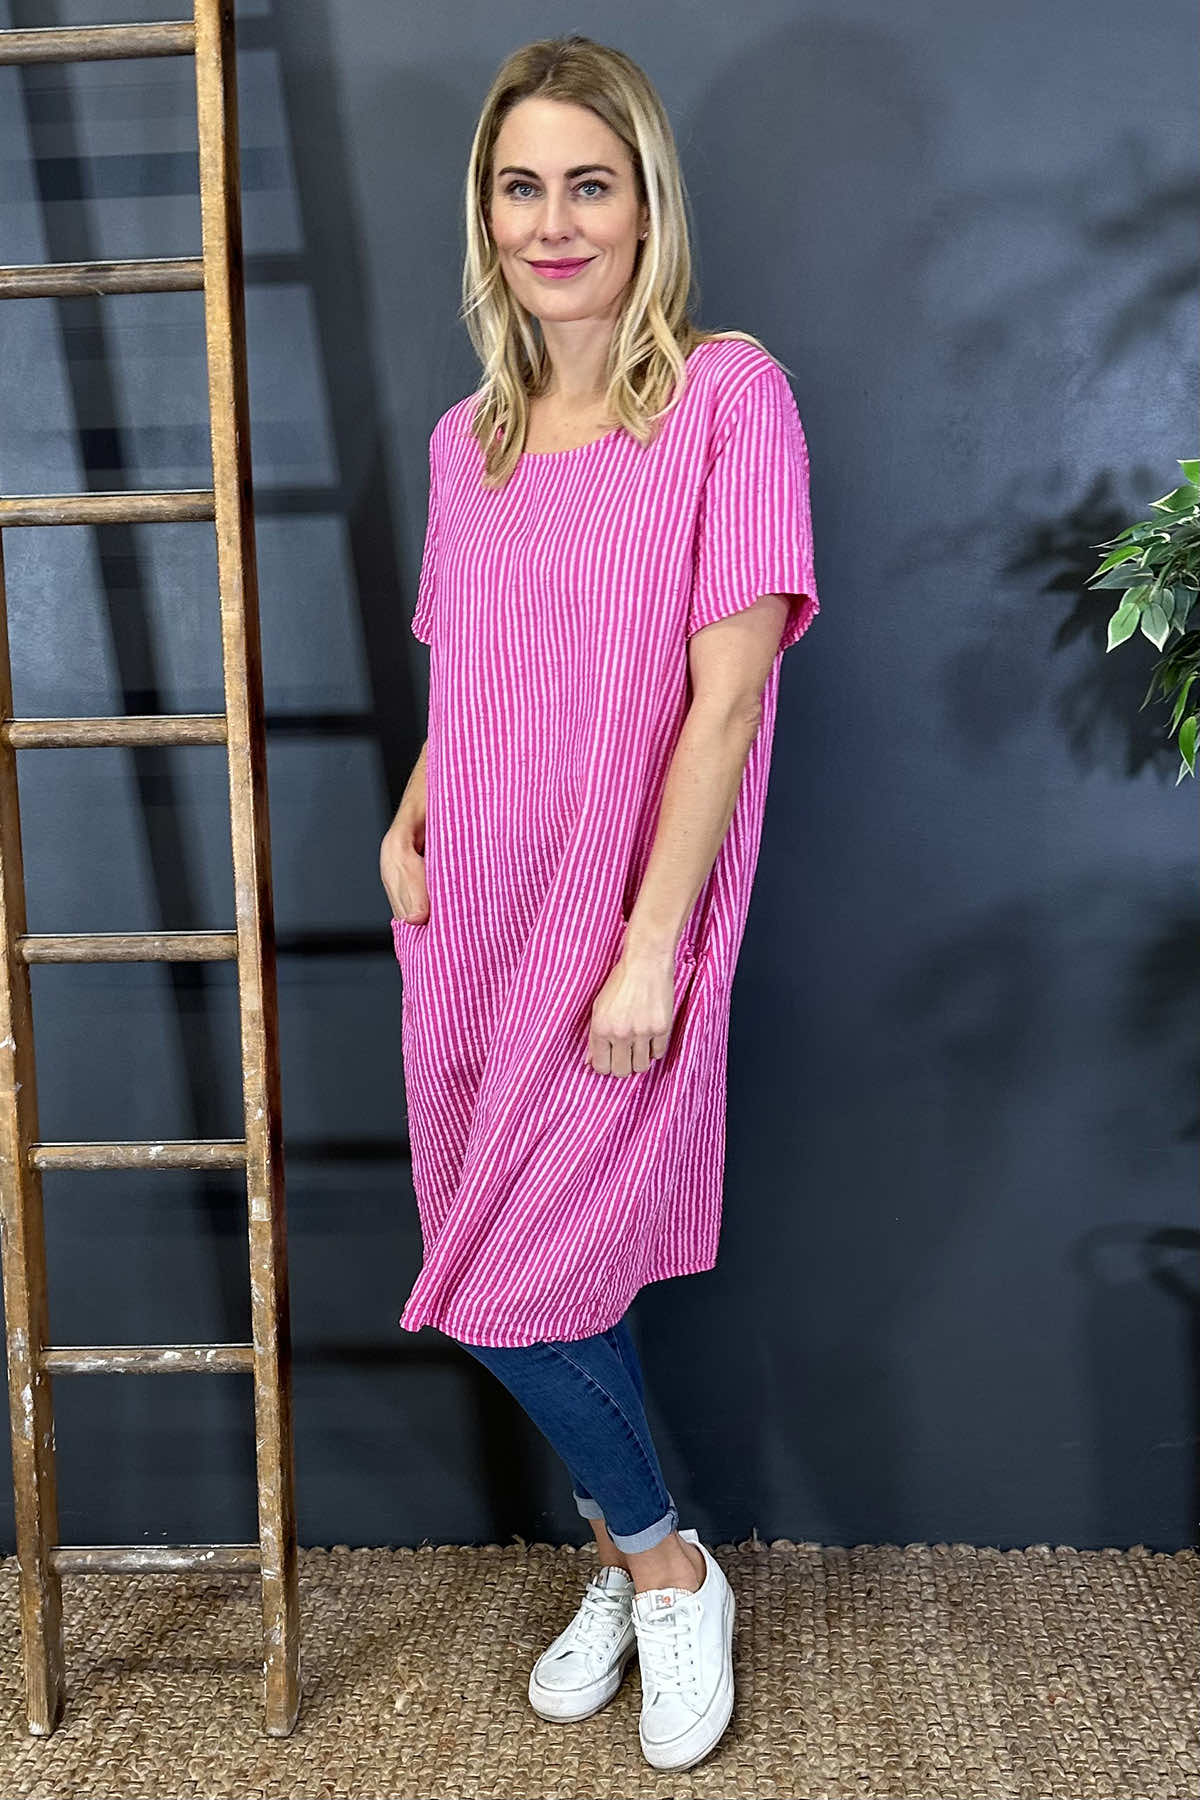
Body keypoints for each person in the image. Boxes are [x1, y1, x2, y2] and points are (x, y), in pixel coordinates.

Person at [379, 34, 819, 1774]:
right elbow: (470, 675)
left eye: (590, 184)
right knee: (540, 1262)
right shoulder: (465, 442)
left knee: (520, 1284)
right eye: (521, 188)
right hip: (470, 915)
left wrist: (650, 946)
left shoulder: (726, 395)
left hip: (615, 923)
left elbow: (728, 700)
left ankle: (669, 1569)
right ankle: (629, 1559)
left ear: (646, 206)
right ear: (485, 215)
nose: (554, 222)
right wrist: (409, 819)